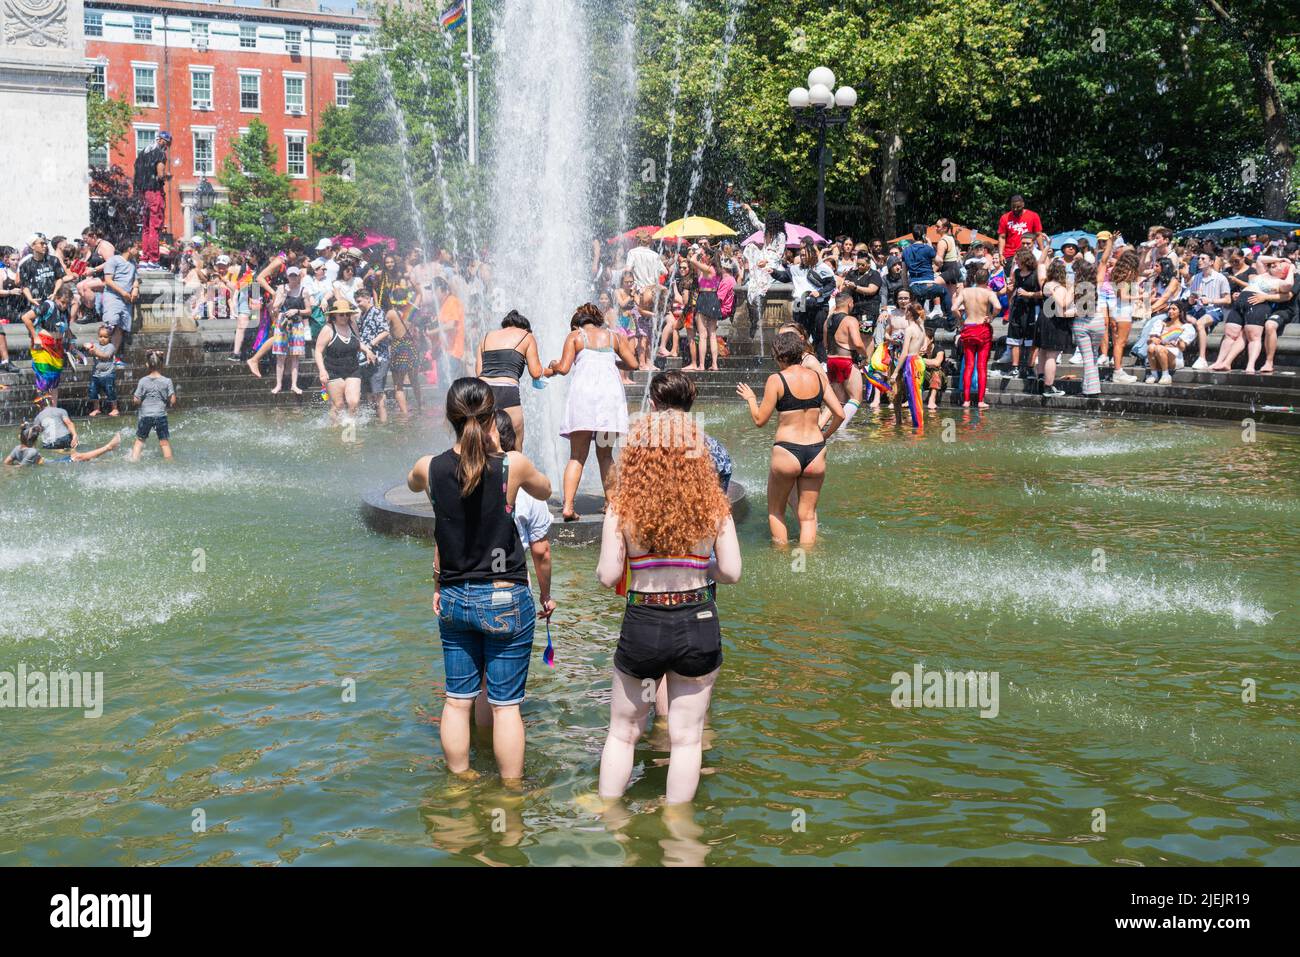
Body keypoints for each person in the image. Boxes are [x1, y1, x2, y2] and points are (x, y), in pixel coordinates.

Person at [405, 378, 553, 785]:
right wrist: (499, 452)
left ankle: (460, 781)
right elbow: (546, 489)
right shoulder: (512, 465)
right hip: (505, 596)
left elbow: (412, 483)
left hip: (453, 597)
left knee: (456, 701)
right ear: (491, 418)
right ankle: (509, 790)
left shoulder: (428, 467)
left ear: (449, 418)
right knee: (505, 707)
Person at [595, 410, 742, 805]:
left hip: (645, 620)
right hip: (698, 617)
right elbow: (731, 571)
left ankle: (612, 819)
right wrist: (699, 565)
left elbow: (608, 576)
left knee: (624, 732)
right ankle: (679, 832)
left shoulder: (622, 507)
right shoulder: (714, 506)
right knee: (687, 737)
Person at [470, 410, 557, 731]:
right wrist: (546, 597)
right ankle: (503, 764)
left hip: (464, 588)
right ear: (513, 441)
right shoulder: (527, 488)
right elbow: (541, 550)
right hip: (508, 590)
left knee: (474, 686)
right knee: (504, 696)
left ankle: (478, 749)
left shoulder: (462, 475)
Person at [737, 331, 844, 545]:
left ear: (779, 355)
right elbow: (839, 413)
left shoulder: (776, 380)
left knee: (776, 512)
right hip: (815, 451)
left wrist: (750, 399)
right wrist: (825, 436)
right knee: (807, 516)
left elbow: (760, 420)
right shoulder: (818, 377)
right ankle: (804, 564)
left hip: (788, 450)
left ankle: (784, 561)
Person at [546, 303, 639, 521]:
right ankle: (612, 505)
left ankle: (568, 506)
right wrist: (609, 363)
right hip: (610, 398)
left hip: (583, 398)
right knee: (605, 454)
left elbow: (564, 368)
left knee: (577, 455)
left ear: (578, 323)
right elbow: (633, 363)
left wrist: (553, 365)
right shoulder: (614, 337)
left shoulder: (576, 336)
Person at [476, 309, 545, 451]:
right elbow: (536, 372)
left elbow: (478, 373)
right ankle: (515, 472)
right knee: (515, 444)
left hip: (483, 392)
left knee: (481, 444)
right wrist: (552, 370)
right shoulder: (527, 336)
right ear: (525, 328)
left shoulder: (486, 337)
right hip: (507, 390)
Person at [315, 299, 375, 422]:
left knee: (353, 402)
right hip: (333, 370)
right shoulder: (328, 329)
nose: (345, 317)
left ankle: (350, 429)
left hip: (352, 369)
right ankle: (335, 429)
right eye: (341, 314)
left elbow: (357, 343)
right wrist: (322, 371)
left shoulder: (352, 326)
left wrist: (367, 351)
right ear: (334, 315)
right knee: (339, 405)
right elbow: (318, 351)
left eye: (347, 314)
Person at [19, 284, 76, 403]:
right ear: (56, 298)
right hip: (42, 346)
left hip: (57, 347)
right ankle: (43, 410)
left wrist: (71, 343)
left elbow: (67, 328)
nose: (64, 306)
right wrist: (36, 337)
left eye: (67, 303)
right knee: (44, 377)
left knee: (55, 379)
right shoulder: (48, 305)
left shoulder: (66, 311)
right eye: (62, 302)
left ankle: (54, 409)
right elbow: (25, 317)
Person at [823, 291, 866, 431]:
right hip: (845, 361)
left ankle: (819, 425)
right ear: (850, 303)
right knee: (856, 398)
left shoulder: (827, 321)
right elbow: (858, 344)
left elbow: (825, 344)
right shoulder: (850, 320)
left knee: (838, 400)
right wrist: (865, 356)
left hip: (831, 361)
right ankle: (840, 428)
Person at [957, 267, 998, 408]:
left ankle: (966, 401)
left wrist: (961, 320)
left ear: (975, 278)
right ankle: (980, 401)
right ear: (987, 280)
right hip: (982, 328)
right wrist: (991, 317)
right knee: (981, 366)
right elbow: (998, 306)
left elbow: (953, 308)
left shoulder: (965, 291)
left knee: (969, 366)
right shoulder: (988, 293)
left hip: (968, 328)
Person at [1035, 258, 1074, 397]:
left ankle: (1040, 380)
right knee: (1052, 354)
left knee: (1042, 351)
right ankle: (1048, 387)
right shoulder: (1059, 287)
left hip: (1043, 319)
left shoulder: (1046, 284)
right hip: (1054, 321)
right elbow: (1062, 305)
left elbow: (1040, 266)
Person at [1185, 253, 1231, 370]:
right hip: (1198, 309)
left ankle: (1202, 358)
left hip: (1214, 310)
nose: (1199, 261)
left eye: (1203, 259)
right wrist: (1192, 299)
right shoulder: (1196, 277)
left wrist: (1210, 300)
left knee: (1200, 323)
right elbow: (1191, 301)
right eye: (1199, 258)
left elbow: (1228, 300)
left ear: (1211, 262)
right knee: (1179, 318)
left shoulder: (1220, 278)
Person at [269, 266, 309, 395]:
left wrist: (297, 311)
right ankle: (279, 384)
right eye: (290, 276)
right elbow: (275, 308)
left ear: (299, 277)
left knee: (295, 356)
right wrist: (283, 295)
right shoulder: (281, 288)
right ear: (287, 276)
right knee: (280, 355)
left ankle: (294, 385)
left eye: (295, 276)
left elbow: (309, 311)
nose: (293, 278)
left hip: (297, 323)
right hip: (282, 323)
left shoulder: (304, 291)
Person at [134, 132, 172, 267]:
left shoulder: (143, 152)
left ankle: (144, 258)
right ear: (162, 141)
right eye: (167, 144)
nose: (166, 148)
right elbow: (160, 175)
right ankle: (153, 260)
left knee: (146, 227)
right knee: (155, 227)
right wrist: (168, 176)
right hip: (155, 192)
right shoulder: (159, 153)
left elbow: (137, 172)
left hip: (144, 192)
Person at [129, 350, 176, 461]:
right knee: (164, 441)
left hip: (145, 416)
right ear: (162, 365)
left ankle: (134, 460)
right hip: (160, 415)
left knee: (140, 440)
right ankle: (169, 461)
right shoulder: (167, 381)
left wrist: (139, 403)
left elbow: (135, 400)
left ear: (147, 365)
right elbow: (173, 400)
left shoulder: (142, 381)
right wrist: (168, 401)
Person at [5, 423, 120, 465]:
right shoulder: (32, 451)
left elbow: (7, 462)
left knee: (81, 457)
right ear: (34, 440)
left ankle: (108, 456)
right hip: (54, 464)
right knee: (79, 456)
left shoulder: (17, 448)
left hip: (55, 462)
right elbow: (22, 468)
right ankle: (108, 447)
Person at [1070, 260, 1104, 399]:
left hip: (1082, 323)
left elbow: (1083, 311)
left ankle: (1090, 391)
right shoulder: (1098, 283)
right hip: (1098, 321)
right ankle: (1090, 387)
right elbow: (1103, 262)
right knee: (1094, 356)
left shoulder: (1077, 287)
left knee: (1088, 358)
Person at [356, 288, 391, 421]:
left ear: (368, 298)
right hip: (365, 359)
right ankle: (374, 422)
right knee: (369, 393)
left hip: (379, 357)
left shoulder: (377, 311)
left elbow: (385, 331)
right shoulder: (362, 314)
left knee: (378, 393)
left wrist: (370, 345)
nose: (358, 304)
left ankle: (383, 423)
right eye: (356, 302)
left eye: (359, 301)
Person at [1144, 301, 1194, 385]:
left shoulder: (1186, 327)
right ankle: (1154, 374)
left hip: (1175, 358)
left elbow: (1182, 348)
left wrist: (1179, 342)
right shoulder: (1161, 324)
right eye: (1169, 309)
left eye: (1174, 309)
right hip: (1158, 353)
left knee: (1159, 348)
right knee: (1151, 347)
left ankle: (1165, 375)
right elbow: (1149, 341)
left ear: (1180, 312)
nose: (1170, 311)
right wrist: (1153, 340)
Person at [84, 325, 119, 416]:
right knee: (93, 391)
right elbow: (90, 350)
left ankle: (114, 408)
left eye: (105, 337)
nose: (103, 339)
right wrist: (88, 348)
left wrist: (95, 351)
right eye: (100, 337)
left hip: (108, 374)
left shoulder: (111, 346)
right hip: (96, 374)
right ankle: (96, 408)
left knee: (110, 391)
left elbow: (105, 356)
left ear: (110, 338)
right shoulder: (95, 345)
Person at [997, 194, 1043, 263]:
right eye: (1013, 207)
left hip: (1028, 253)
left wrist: (1042, 250)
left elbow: (1038, 235)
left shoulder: (1033, 216)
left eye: (1018, 207)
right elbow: (1002, 237)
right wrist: (1000, 254)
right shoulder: (1005, 218)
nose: (1015, 209)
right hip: (1010, 255)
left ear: (1023, 204)